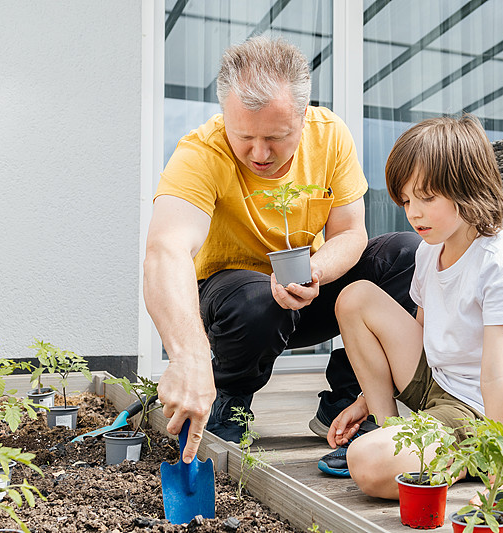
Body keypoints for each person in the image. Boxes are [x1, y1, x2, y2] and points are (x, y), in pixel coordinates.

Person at [143, 35, 420, 459]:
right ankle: (229, 401)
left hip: (305, 291)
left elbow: (350, 232)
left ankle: (348, 399)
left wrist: (315, 271)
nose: (259, 153)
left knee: (407, 255)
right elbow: (166, 251)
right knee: (256, 300)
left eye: (276, 136)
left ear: (303, 116)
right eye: (244, 136)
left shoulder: (330, 136)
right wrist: (188, 357)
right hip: (236, 309)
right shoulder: (200, 152)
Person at [317, 115, 503, 501]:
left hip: (477, 408)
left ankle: (470, 456)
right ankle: (389, 430)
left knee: (365, 463)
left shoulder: (498, 263)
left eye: (426, 198)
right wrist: (365, 399)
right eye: (406, 200)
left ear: (468, 188)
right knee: (354, 297)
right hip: (437, 384)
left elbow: (499, 374)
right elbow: (420, 335)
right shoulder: (428, 251)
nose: (413, 213)